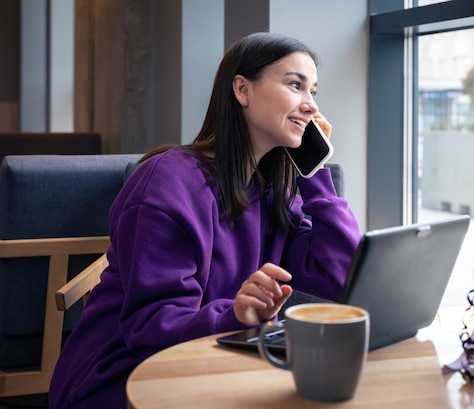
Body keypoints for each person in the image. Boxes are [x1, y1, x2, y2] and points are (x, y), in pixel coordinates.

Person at [48, 32, 361, 408]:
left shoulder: (275, 190)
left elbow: (338, 282)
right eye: (296, 85)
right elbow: (151, 327)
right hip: (124, 377)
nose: (311, 106)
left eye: (314, 91)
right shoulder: (169, 182)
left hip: (220, 363)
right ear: (242, 90)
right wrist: (234, 314)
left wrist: (314, 177)